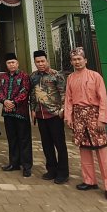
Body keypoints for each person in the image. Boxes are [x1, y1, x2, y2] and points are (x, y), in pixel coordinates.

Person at [64, 47, 107, 201]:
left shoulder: (95, 76)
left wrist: (102, 118)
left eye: (79, 59)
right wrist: (68, 117)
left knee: (102, 151)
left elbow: (103, 98)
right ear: (71, 62)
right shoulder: (70, 78)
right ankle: (89, 180)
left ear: (85, 60)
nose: (77, 62)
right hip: (78, 116)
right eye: (74, 60)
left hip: (94, 115)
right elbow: (68, 99)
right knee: (84, 149)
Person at [30, 50, 69, 184]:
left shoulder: (56, 75)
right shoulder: (33, 76)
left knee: (59, 144)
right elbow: (33, 94)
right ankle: (51, 169)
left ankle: (63, 172)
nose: (40, 64)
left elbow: (63, 94)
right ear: (35, 63)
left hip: (54, 115)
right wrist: (33, 109)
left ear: (47, 61)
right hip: (41, 115)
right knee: (46, 144)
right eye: (38, 62)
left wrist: (62, 110)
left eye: (42, 61)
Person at [0, 52, 33, 177]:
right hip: (8, 114)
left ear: (17, 63)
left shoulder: (24, 76)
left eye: (13, 62)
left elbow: (25, 91)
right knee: (12, 139)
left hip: (20, 113)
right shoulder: (3, 77)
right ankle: (14, 163)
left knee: (24, 139)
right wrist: (4, 101)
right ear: (6, 65)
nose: (11, 65)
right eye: (9, 63)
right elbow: (0, 92)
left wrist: (12, 102)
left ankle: (26, 166)